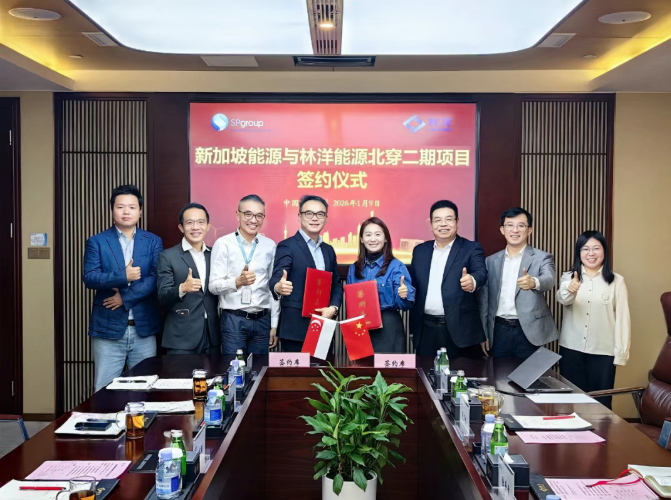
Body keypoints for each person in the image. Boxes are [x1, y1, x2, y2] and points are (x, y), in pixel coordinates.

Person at [83, 185, 163, 391]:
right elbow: (90, 278)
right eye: (120, 207)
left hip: (143, 328)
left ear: (140, 211)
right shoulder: (97, 242)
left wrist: (125, 298)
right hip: (107, 328)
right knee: (104, 389)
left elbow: (156, 278)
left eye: (132, 207)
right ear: (112, 210)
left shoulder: (153, 241)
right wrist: (123, 276)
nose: (126, 212)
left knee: (144, 389)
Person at [556, 230, 631, 409]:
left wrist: (621, 354)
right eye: (585, 249)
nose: (591, 253)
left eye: (596, 248)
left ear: (604, 251)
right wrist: (571, 290)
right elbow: (563, 299)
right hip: (571, 350)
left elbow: (623, 319)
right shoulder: (568, 277)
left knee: (601, 406)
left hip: (603, 353)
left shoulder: (616, 281)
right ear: (579, 253)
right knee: (570, 405)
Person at [409, 200, 487, 359]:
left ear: (457, 222)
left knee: (462, 374)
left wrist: (472, 281)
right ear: (431, 224)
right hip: (426, 330)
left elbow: (481, 273)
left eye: (449, 219)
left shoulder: (471, 248)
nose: (443, 224)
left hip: (460, 331)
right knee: (426, 373)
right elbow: (414, 284)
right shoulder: (420, 251)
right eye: (437, 220)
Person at [478, 208, 558, 359]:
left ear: (529, 230)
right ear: (502, 230)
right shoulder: (491, 261)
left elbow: (549, 280)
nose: (515, 230)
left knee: (529, 374)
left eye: (521, 225)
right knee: (498, 373)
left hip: (529, 330)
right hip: (498, 330)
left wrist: (533, 282)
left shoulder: (542, 257)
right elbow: (484, 301)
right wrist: (484, 333)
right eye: (510, 225)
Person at [269, 195, 342, 352]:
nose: (314, 218)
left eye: (320, 214)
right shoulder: (287, 246)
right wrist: (278, 287)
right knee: (297, 369)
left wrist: (334, 308)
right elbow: (276, 277)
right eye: (309, 213)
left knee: (324, 369)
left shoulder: (328, 250)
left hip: (323, 326)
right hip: (295, 328)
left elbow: (336, 283)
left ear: (326, 219)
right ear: (299, 217)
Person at [209, 195, 280, 354]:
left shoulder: (269, 245)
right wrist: (237, 282)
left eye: (259, 215)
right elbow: (213, 286)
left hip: (263, 320)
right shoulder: (224, 244)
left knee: (260, 368)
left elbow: (272, 288)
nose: (254, 220)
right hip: (234, 320)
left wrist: (274, 324)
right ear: (238, 215)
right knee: (234, 367)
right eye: (248, 214)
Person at [157, 203, 220, 354]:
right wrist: (182, 288)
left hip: (212, 336)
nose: (195, 227)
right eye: (190, 222)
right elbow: (162, 296)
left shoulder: (215, 255)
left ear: (208, 226)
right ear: (181, 227)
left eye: (200, 222)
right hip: (181, 337)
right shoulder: (168, 256)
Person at [346, 217, 415, 353]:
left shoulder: (396, 266)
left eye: (378, 234)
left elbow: (405, 305)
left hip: (388, 328)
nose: (373, 239)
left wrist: (404, 294)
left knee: (387, 367)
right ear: (361, 239)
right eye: (368, 235)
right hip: (359, 327)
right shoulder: (354, 268)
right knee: (360, 366)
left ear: (385, 239)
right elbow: (351, 303)